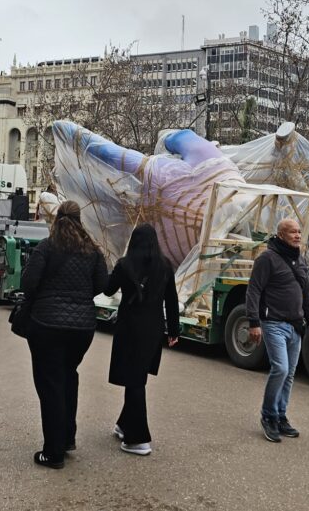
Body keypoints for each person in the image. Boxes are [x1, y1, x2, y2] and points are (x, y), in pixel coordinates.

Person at [18, 200, 108, 469]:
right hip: (82, 329)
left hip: (46, 324)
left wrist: (49, 297)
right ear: (80, 220)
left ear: (57, 219)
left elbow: (28, 283)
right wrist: (79, 299)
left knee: (50, 385)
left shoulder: (46, 247)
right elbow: (102, 285)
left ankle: (53, 452)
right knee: (69, 377)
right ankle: (67, 438)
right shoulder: (93, 251)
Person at [103, 224, 180, 457]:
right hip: (154, 329)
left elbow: (107, 290)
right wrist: (174, 331)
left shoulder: (125, 265)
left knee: (134, 381)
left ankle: (138, 439)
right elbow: (172, 300)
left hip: (130, 329)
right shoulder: (165, 265)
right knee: (137, 377)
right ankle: (124, 424)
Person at [245, 218, 309, 443]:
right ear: (280, 235)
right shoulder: (267, 259)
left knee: (289, 375)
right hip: (273, 324)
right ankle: (268, 416)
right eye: (292, 232)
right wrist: (253, 322)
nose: (298, 236)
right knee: (280, 368)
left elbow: (306, 292)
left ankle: (280, 416)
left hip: (296, 326)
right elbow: (253, 291)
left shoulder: (299, 259)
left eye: (299, 232)